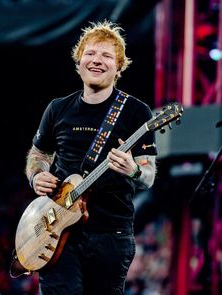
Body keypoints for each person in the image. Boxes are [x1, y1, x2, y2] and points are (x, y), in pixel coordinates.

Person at [25, 20, 157, 295]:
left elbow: (148, 176)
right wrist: (36, 174)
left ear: (119, 67)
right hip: (57, 232)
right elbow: (39, 153)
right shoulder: (58, 108)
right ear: (79, 60)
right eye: (90, 53)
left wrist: (133, 170)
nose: (97, 61)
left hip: (111, 235)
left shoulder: (136, 112)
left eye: (107, 56)